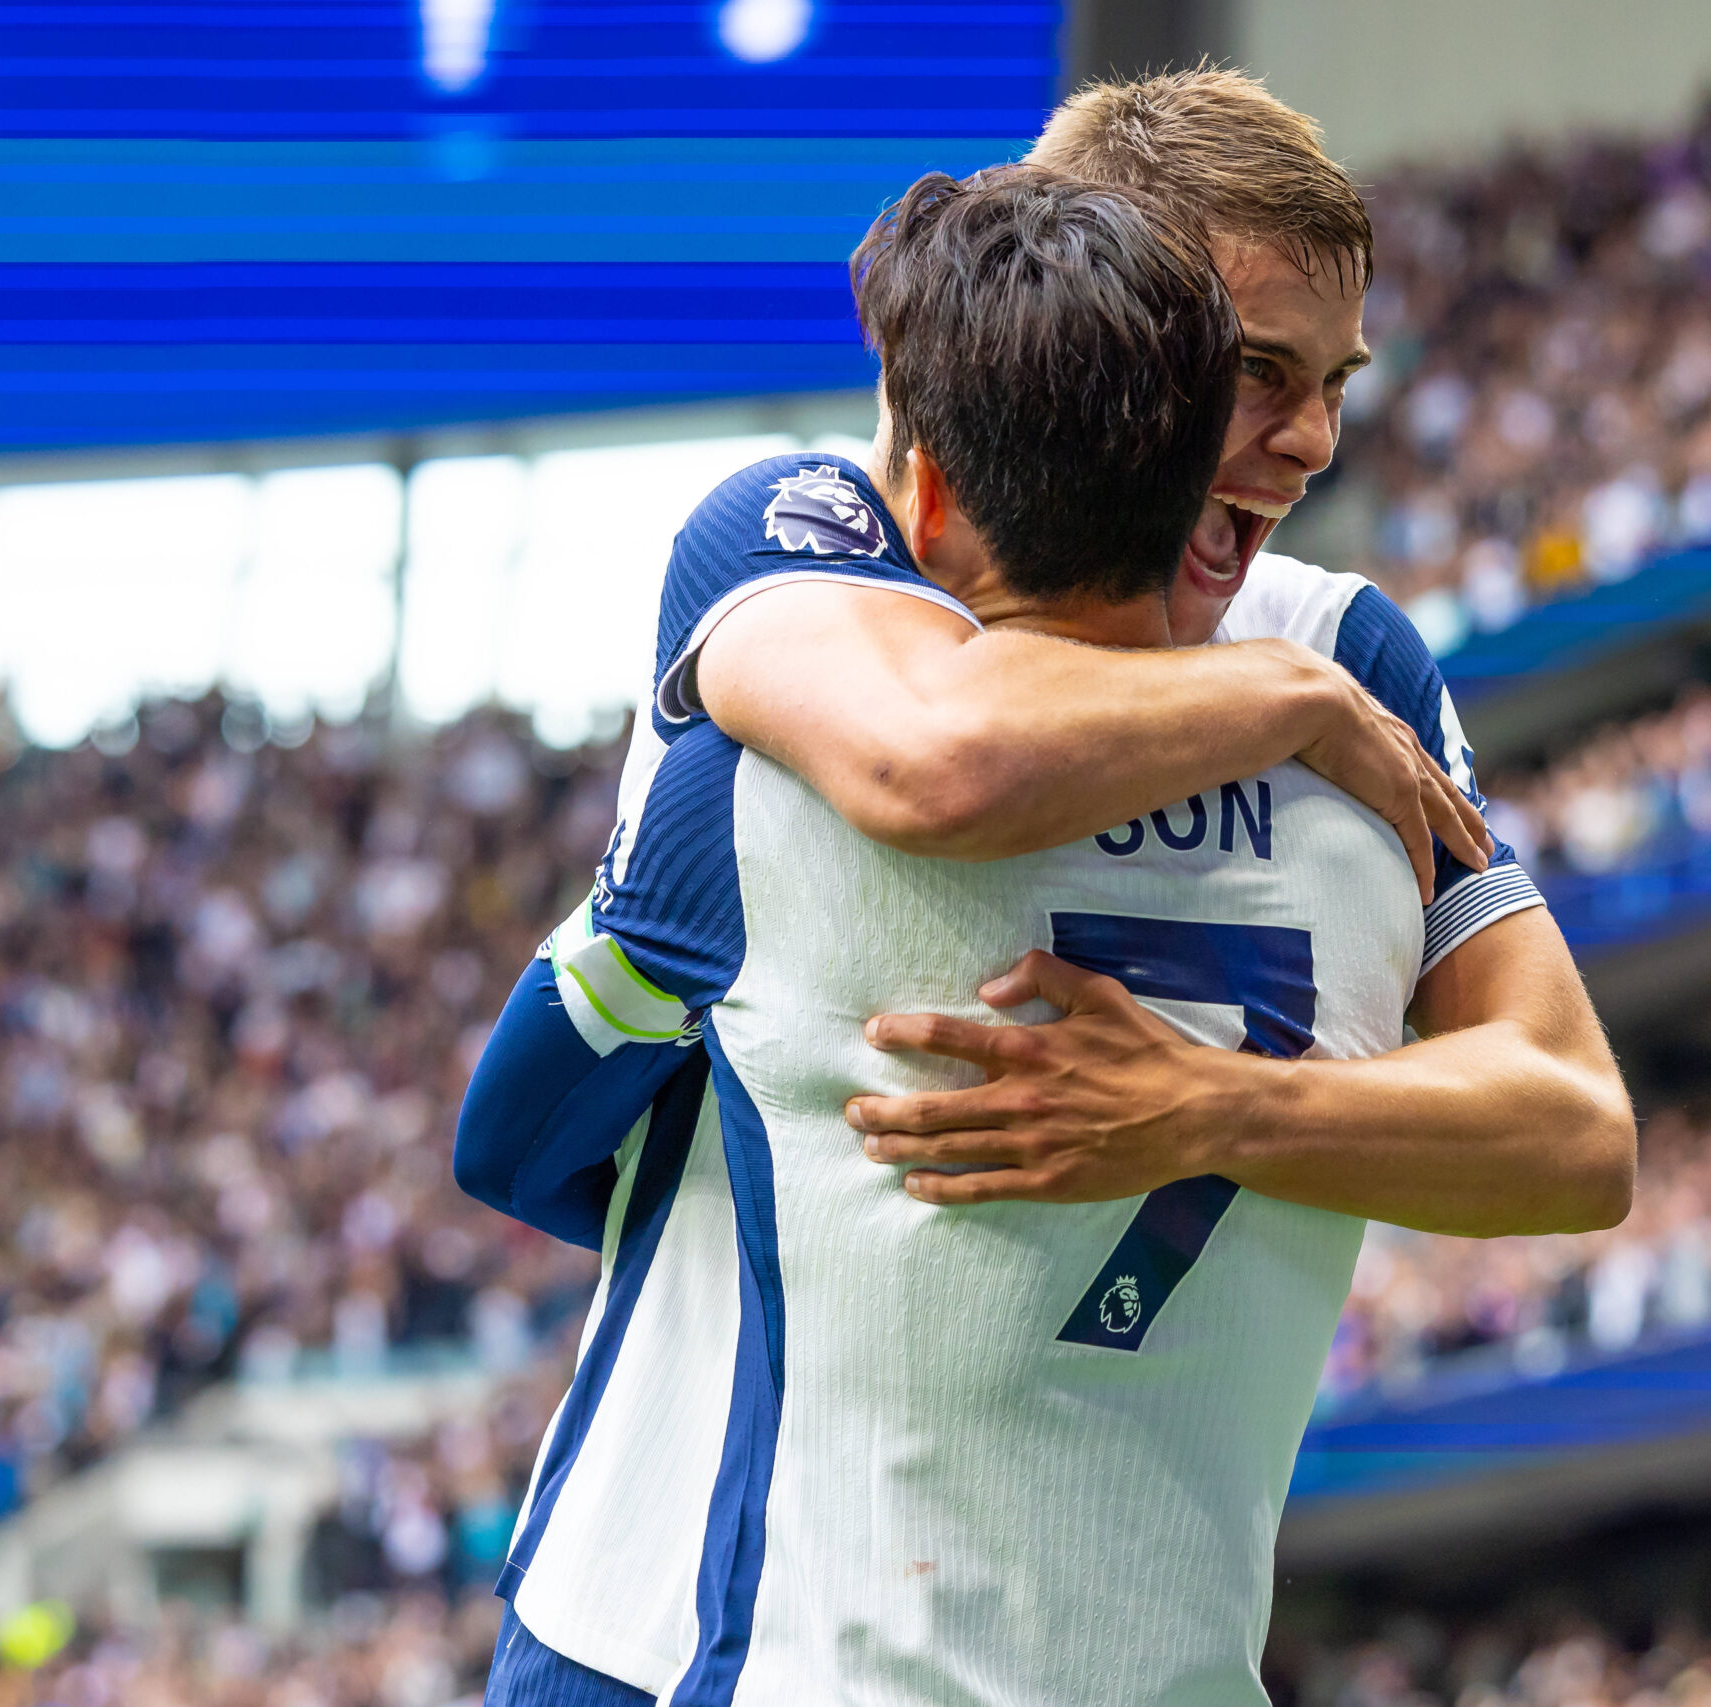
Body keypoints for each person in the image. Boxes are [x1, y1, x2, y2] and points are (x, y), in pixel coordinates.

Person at [468, 165, 1477, 1705]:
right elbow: (1573, 1136)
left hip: (693, 1640)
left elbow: (512, 1141)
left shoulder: (757, 788)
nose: (1313, 430)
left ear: (928, 484)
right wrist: (1299, 703)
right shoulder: (1360, 765)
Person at [681, 69, 1634, 1237]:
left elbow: (1579, 1132)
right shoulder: (813, 537)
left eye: (1335, 383)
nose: (1317, 444)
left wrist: (1214, 1111)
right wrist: (1280, 700)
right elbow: (928, 765)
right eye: (1257, 371)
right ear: (1086, 319)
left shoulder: (1340, 647)